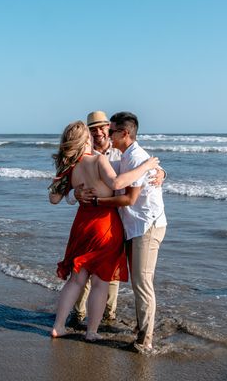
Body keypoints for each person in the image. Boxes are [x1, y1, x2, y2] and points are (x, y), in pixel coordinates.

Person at [48, 121, 159, 341]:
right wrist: (146, 167)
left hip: (82, 224)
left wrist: (76, 192)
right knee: (100, 282)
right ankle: (91, 332)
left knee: (76, 280)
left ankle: (58, 326)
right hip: (104, 224)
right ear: (87, 139)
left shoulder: (70, 167)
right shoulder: (99, 160)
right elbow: (117, 181)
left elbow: (53, 198)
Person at [88, 112, 167, 352]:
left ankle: (145, 340)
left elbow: (129, 197)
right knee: (137, 282)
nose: (108, 135)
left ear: (124, 133)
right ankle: (141, 328)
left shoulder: (135, 157)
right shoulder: (124, 155)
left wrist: (97, 204)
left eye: (111, 131)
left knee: (142, 283)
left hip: (147, 225)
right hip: (134, 226)